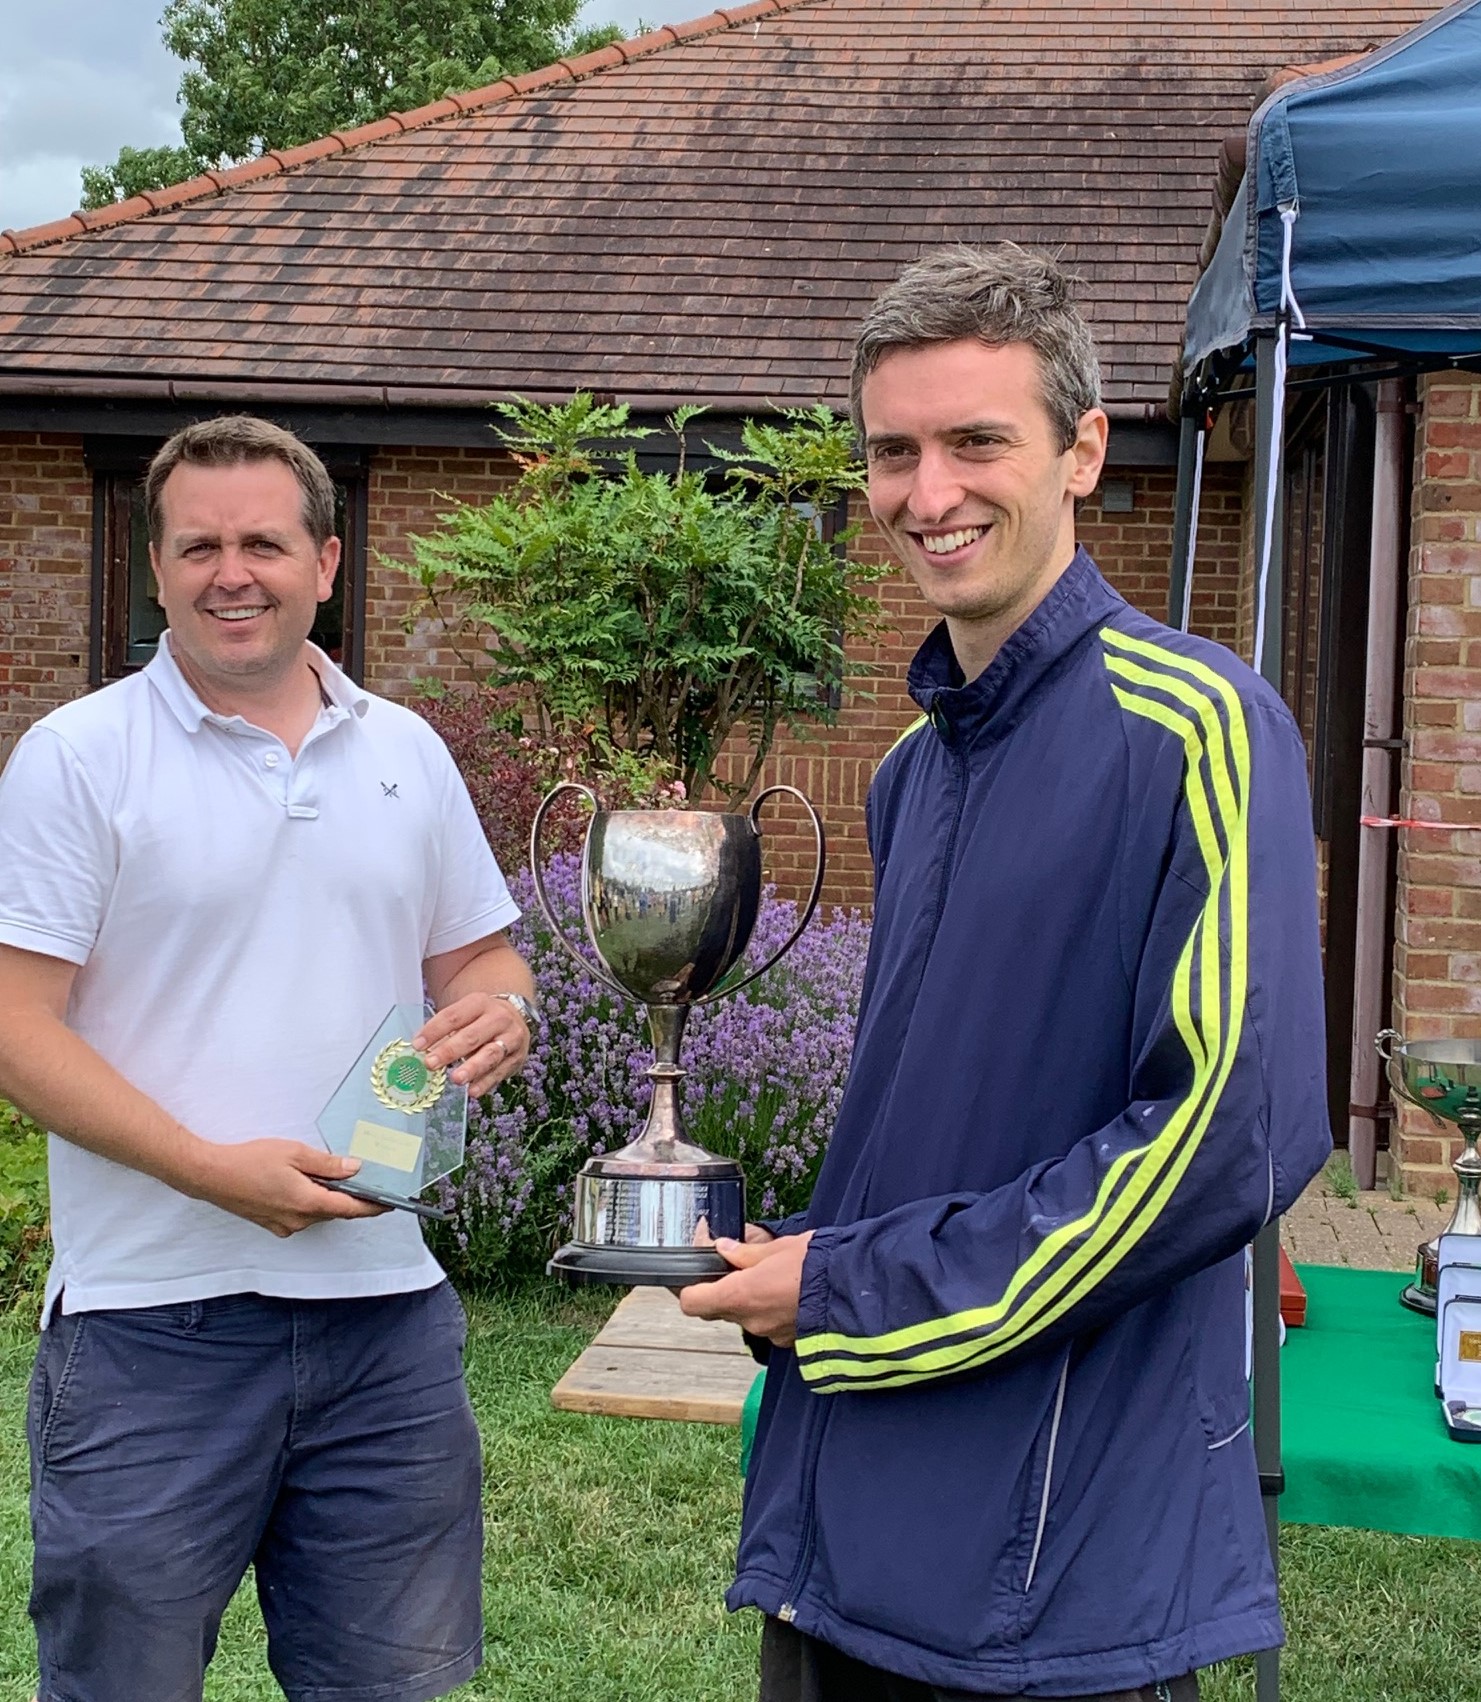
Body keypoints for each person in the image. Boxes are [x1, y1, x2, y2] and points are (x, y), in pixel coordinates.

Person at [682, 246, 1330, 1702]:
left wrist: (848, 1286)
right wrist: (796, 1251)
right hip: (842, 1538)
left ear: (1081, 450)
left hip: (1050, 1571)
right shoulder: (911, 770)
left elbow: (1219, 1141)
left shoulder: (1201, 726)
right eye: (891, 452)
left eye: (976, 441)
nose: (928, 494)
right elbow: (959, 1115)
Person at [0, 415, 539, 1702]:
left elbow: (481, 959)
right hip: (150, 1323)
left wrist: (501, 1011)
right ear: (155, 566)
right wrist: (207, 1168)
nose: (230, 573)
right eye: (197, 547)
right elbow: (17, 1025)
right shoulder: (80, 758)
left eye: (262, 544)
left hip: (386, 1321)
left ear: (326, 563)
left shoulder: (405, 751)